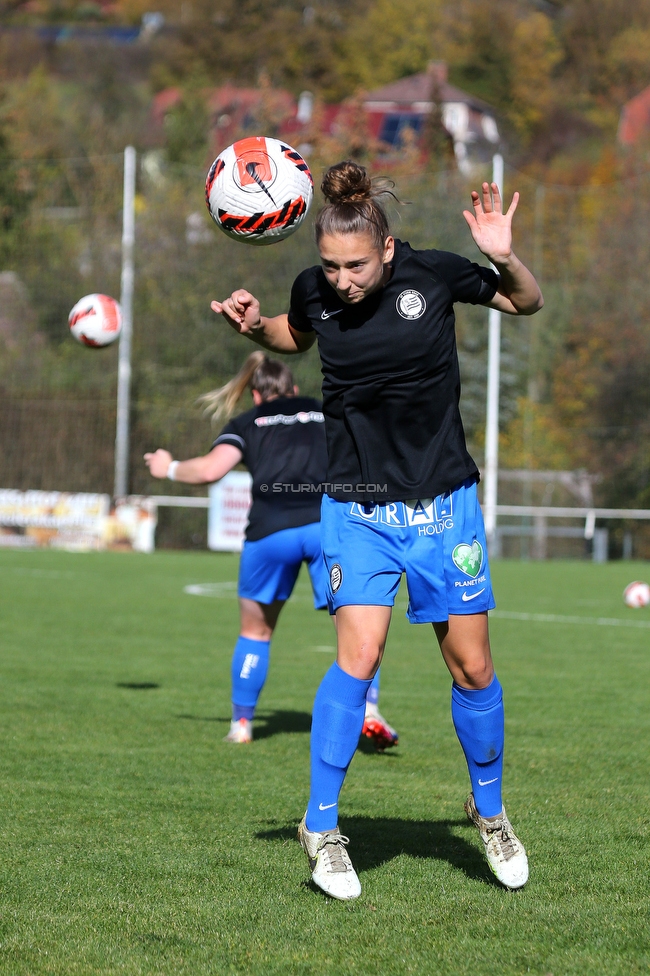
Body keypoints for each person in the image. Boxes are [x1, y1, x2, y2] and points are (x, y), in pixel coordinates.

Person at [211, 161, 544, 900]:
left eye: (355, 266)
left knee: (473, 668)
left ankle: (489, 814)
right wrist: (254, 324)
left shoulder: (434, 275)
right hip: (355, 504)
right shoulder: (313, 291)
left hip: (443, 504)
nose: (342, 280)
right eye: (330, 266)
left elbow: (528, 301)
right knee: (358, 661)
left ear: (386, 251)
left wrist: (502, 254)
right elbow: (293, 337)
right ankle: (322, 827)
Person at [144, 351, 398, 748]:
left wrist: (169, 467)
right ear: (294, 389)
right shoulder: (320, 411)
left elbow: (211, 470)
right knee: (354, 627)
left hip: (269, 533)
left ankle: (242, 725)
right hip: (325, 528)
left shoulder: (247, 422)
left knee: (256, 632)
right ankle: (368, 710)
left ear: (257, 397)